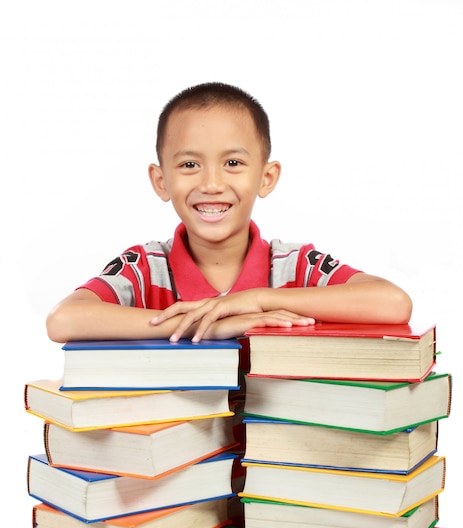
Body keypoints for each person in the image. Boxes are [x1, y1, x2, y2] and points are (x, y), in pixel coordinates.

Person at [46, 82, 412, 345]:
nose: (212, 183)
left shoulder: (294, 266)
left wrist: (256, 300)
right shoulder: (143, 268)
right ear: (161, 181)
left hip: (283, 452)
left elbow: (393, 303)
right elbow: (63, 320)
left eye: (233, 163)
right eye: (189, 164)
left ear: (266, 178)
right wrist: (202, 324)